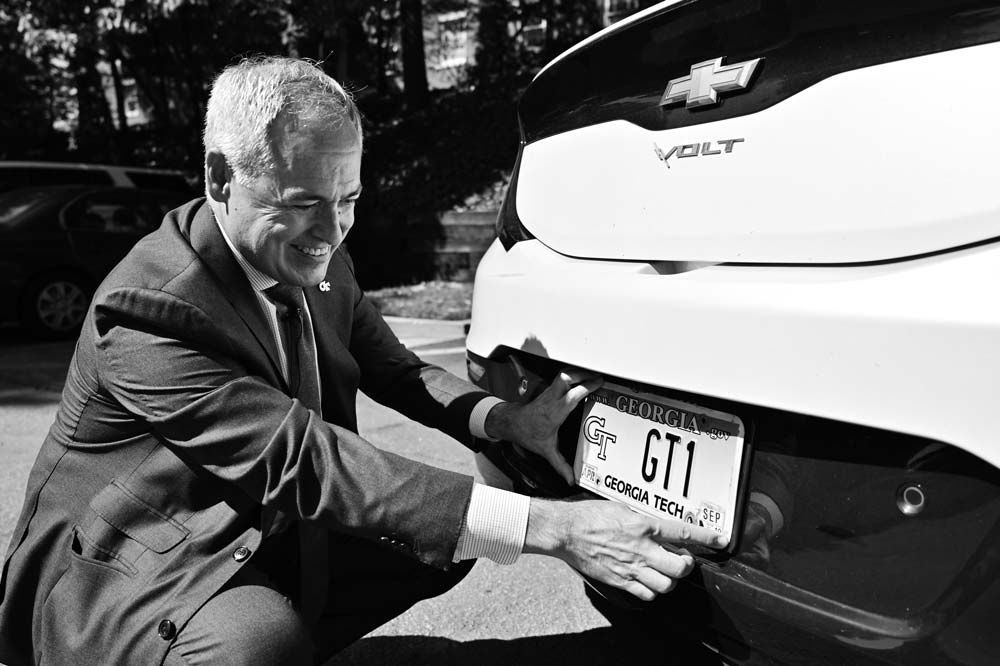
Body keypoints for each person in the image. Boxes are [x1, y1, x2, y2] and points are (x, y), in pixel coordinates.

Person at [0, 57, 726, 666]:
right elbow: (304, 463)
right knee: (258, 642)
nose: (333, 230)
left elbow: (395, 370)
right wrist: (556, 528)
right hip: (137, 564)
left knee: (439, 539)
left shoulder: (315, 259)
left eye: (348, 198)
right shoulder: (150, 308)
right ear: (221, 177)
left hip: (261, 517)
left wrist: (504, 420)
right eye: (303, 202)